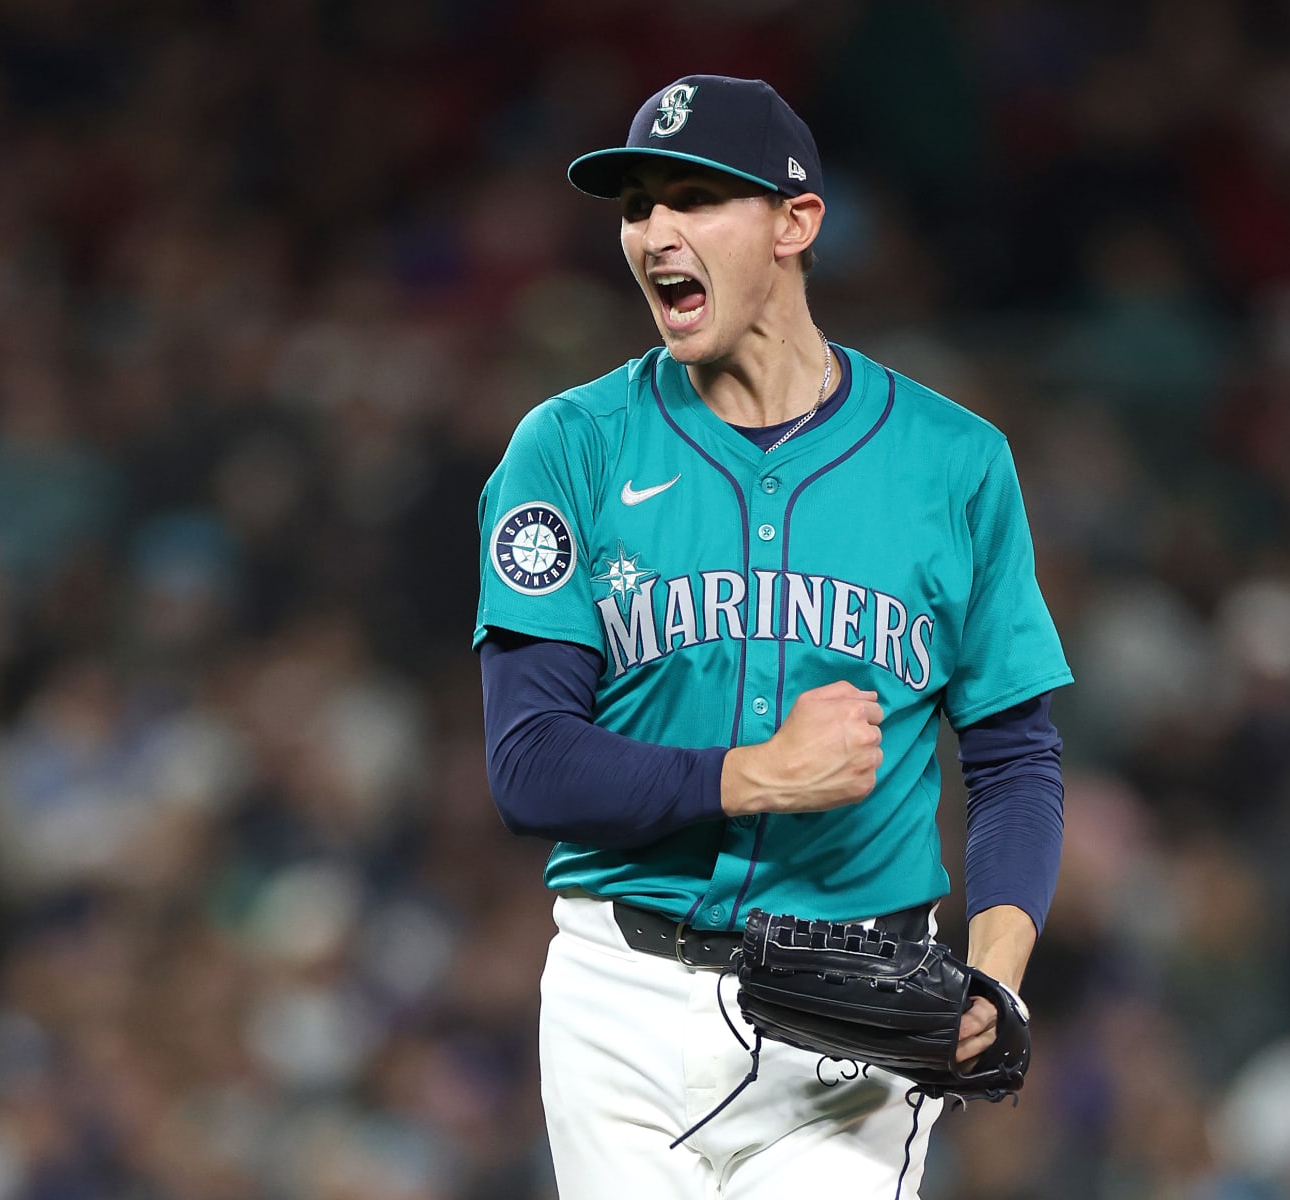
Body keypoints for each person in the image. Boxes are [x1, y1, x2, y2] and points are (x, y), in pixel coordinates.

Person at [474, 75, 1070, 1200]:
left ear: (796, 223)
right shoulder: (570, 448)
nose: (656, 233)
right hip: (621, 1002)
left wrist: (995, 975)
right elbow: (528, 765)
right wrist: (758, 775)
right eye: (637, 205)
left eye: (696, 199)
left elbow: (1014, 762)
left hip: (855, 1011)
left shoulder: (955, 461)